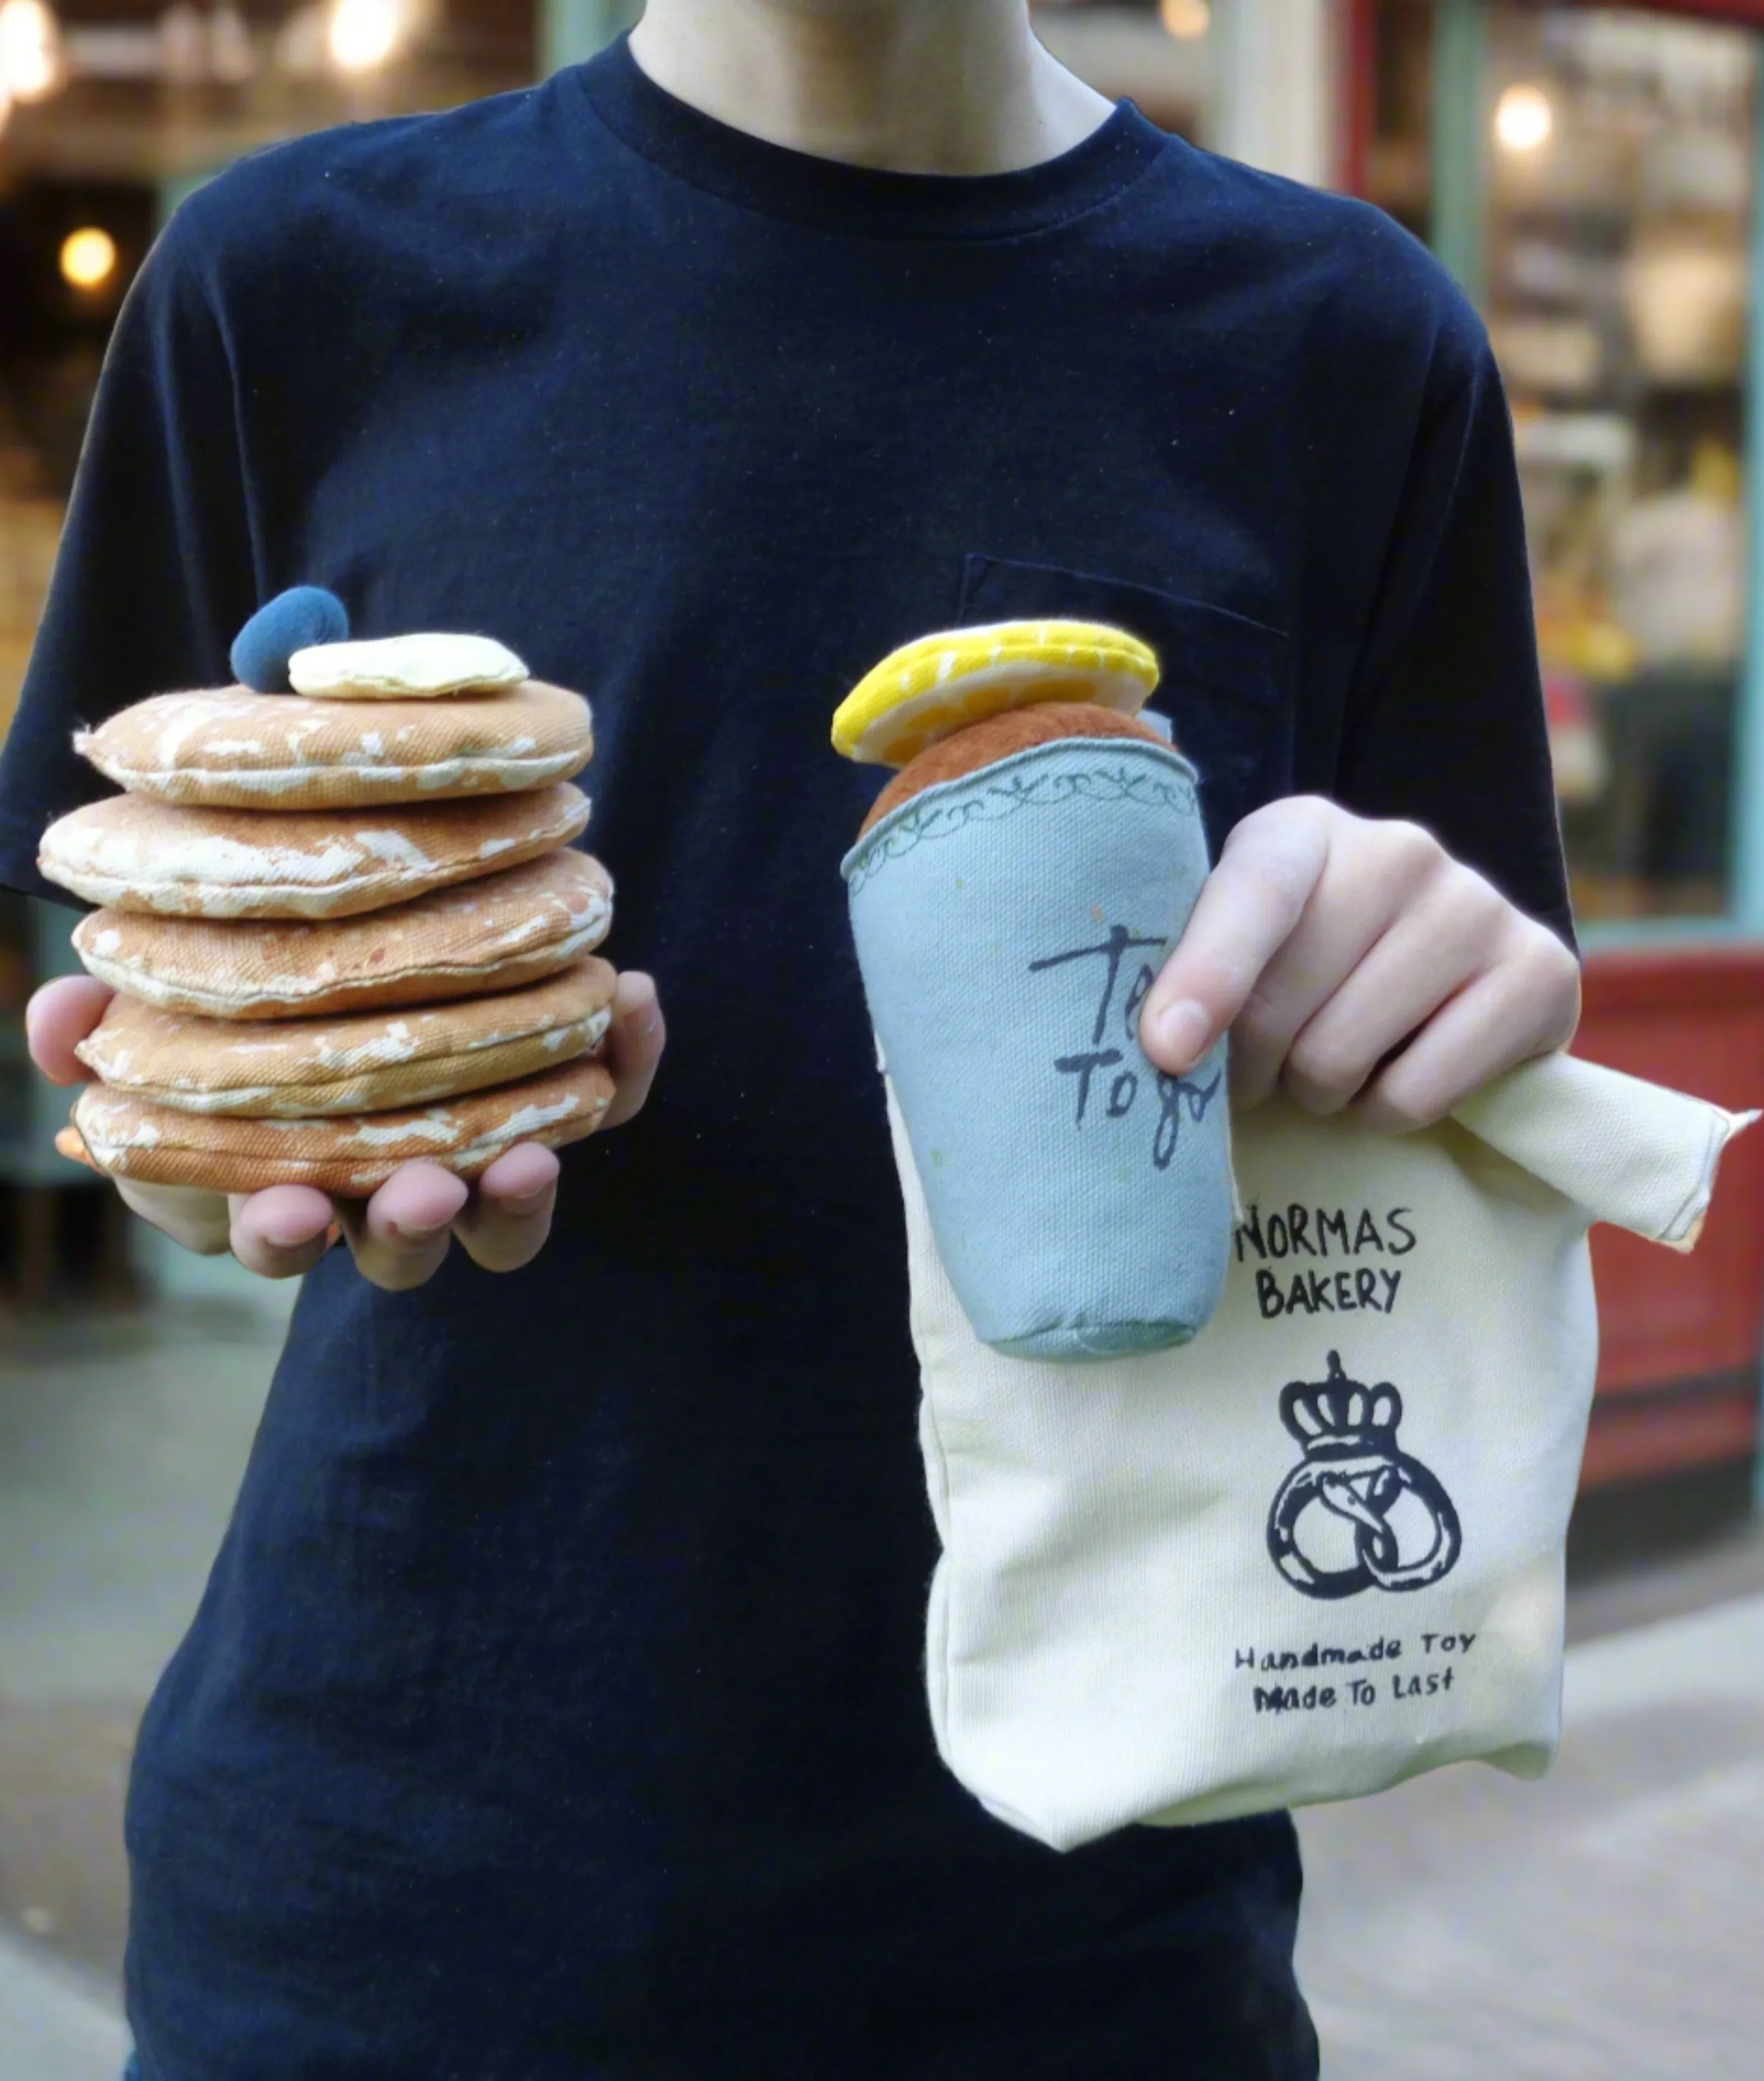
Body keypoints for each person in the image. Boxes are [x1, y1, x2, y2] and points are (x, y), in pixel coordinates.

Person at [3, 2, 1580, 2073]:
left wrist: (1458, 1036)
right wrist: (226, 1171)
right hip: (384, 1913)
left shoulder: (1344, 344)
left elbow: (1429, 1156)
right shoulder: (291, 282)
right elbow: (177, 1014)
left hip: (1085, 1937)